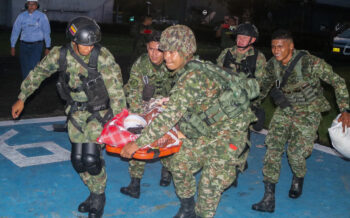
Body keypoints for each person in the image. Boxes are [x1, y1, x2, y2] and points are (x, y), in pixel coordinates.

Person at [120, 25, 259, 218]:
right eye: (164, 51)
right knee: (177, 161)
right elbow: (199, 101)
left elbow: (168, 118)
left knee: (208, 190)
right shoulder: (195, 67)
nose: (166, 56)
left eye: (172, 52)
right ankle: (187, 209)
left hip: (229, 138)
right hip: (208, 132)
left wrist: (136, 144)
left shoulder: (191, 77)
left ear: (186, 52)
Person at [11, 16, 126, 218]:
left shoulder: (103, 57)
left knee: (91, 159)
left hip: (98, 113)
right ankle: (93, 191)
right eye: (84, 45)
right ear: (74, 41)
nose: (89, 48)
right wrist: (22, 98)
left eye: (92, 44)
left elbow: (116, 91)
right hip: (75, 112)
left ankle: (99, 197)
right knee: (78, 161)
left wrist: (120, 124)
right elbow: (38, 73)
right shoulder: (60, 55)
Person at [251, 29, 350, 213]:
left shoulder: (309, 62)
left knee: (296, 154)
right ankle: (268, 198)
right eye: (273, 46)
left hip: (309, 111)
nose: (275, 50)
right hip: (285, 108)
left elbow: (337, 81)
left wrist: (345, 109)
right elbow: (264, 86)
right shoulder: (273, 65)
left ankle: (299, 176)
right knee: (272, 148)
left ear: (291, 46)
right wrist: (254, 105)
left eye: (280, 46)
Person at [121, 31, 174, 199]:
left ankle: (167, 171)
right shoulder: (141, 64)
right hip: (145, 105)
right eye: (151, 49)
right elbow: (134, 91)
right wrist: (139, 116)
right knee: (137, 139)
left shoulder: (173, 62)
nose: (154, 54)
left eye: (159, 50)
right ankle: (135, 183)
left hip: (168, 105)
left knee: (167, 137)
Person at [217, 23, 267, 185]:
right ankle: (224, 163)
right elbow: (216, 74)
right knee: (223, 136)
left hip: (246, 104)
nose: (240, 39)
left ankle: (236, 169)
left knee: (241, 139)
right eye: (239, 36)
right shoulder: (227, 53)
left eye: (245, 37)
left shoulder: (258, 58)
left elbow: (259, 85)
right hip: (225, 102)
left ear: (252, 39)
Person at [10, 0, 51, 79]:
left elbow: (46, 32)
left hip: (37, 46)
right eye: (29, 4)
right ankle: (27, 88)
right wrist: (13, 46)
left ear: (37, 5)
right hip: (24, 46)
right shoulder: (21, 16)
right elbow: (15, 31)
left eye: (34, 4)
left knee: (33, 67)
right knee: (25, 68)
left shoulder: (42, 16)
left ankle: (32, 87)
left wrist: (48, 47)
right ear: (27, 5)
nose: (31, 6)